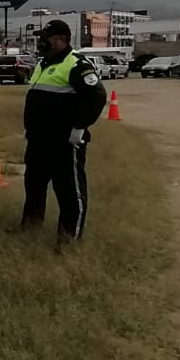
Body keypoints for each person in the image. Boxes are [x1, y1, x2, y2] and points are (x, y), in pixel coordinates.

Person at [20, 19, 108, 247]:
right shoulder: (44, 63)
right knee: (34, 186)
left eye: (45, 39)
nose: (41, 43)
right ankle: (30, 227)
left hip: (64, 143)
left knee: (69, 192)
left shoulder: (76, 64)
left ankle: (68, 239)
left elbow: (97, 96)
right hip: (39, 142)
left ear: (60, 40)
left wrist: (80, 126)